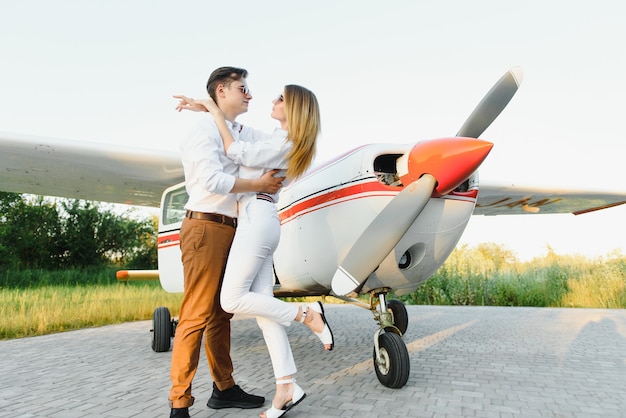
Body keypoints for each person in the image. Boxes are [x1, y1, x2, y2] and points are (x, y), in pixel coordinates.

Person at [175, 84, 333, 418]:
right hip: (258, 218)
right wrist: (207, 107)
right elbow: (239, 131)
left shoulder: (284, 143)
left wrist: (214, 111)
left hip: (255, 219)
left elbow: (236, 151)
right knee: (265, 313)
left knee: (230, 300)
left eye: (280, 99)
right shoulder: (279, 139)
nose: (272, 101)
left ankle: (307, 315)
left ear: (295, 110)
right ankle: (286, 386)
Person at [168, 66, 285, 418]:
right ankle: (179, 402)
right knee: (196, 314)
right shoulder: (200, 128)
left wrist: (206, 105)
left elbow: (271, 142)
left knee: (222, 313)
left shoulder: (237, 130)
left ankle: (224, 388)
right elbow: (212, 180)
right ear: (222, 90)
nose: (249, 95)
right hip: (205, 227)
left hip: (233, 227)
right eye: (242, 88)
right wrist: (258, 186)